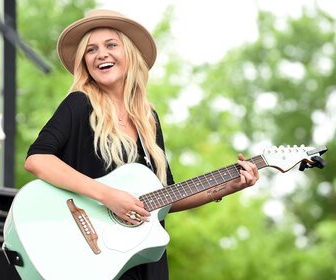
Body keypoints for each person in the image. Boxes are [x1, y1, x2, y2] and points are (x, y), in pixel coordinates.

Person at [24, 9, 259, 280]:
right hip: (97, 257)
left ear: (130, 54)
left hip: (144, 258)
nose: (101, 54)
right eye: (91, 49)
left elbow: (167, 196)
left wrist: (228, 187)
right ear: (84, 62)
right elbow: (37, 159)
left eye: (111, 45)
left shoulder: (148, 119)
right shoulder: (79, 104)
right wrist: (108, 196)